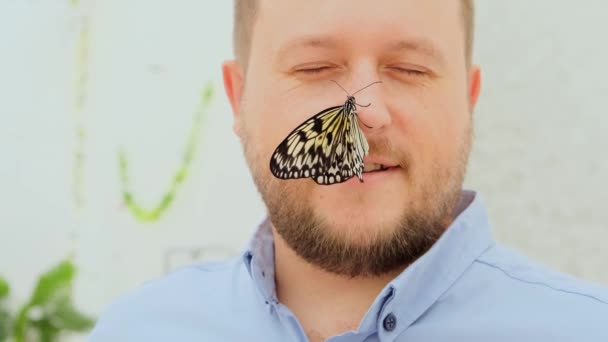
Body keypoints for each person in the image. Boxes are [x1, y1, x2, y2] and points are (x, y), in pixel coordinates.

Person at [89, 1, 608, 341]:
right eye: (315, 69)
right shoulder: (136, 331)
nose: (368, 113)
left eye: (409, 70)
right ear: (238, 98)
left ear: (468, 102)